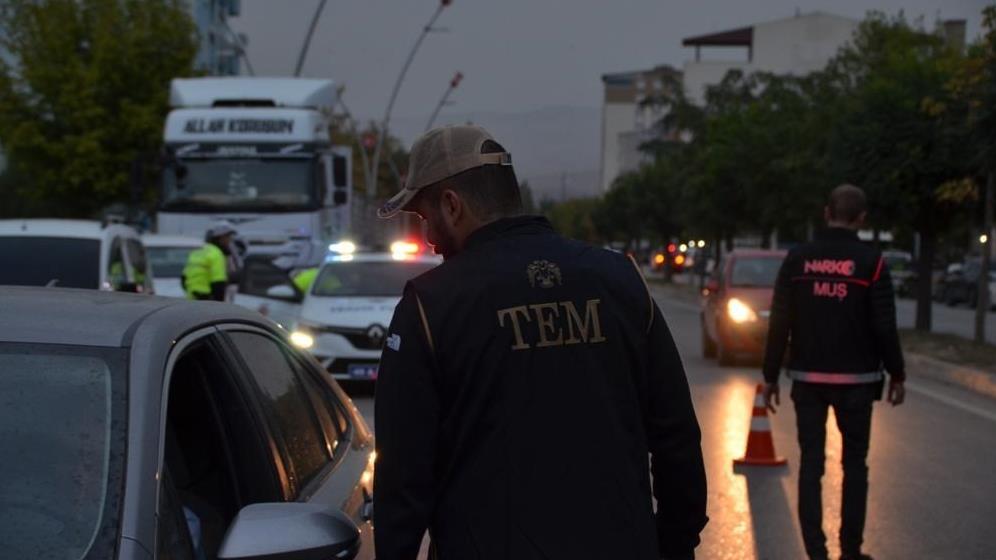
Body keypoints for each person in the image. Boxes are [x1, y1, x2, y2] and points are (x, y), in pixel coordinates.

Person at [373, 125, 708, 560]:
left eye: (423, 217)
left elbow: (403, 481)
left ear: (452, 206)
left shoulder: (430, 307)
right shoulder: (621, 281)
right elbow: (676, 438)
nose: (429, 237)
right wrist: (675, 545)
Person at [762, 184, 906, 560]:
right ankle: (851, 551)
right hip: (858, 384)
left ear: (826, 212)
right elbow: (884, 326)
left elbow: (779, 322)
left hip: (808, 381)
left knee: (811, 466)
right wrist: (898, 374)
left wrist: (770, 375)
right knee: (855, 465)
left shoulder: (797, 259)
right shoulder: (871, 263)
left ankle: (816, 553)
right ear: (861, 219)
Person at [182, 222, 237, 301]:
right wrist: (219, 305)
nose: (229, 240)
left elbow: (183, 279)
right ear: (220, 238)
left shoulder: (198, 251)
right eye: (227, 237)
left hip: (192, 298)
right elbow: (218, 283)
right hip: (207, 299)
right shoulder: (216, 254)